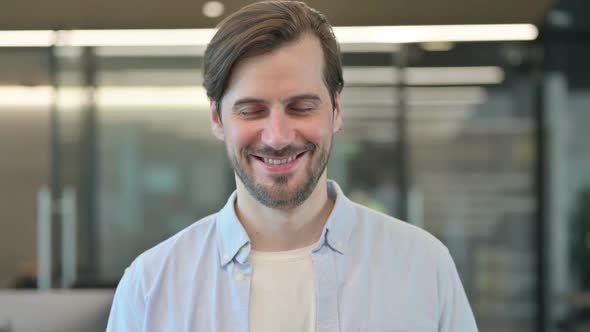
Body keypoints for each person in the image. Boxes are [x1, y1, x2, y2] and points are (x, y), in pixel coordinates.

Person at [106, 1, 478, 331]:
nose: (278, 136)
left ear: (336, 110)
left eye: (301, 107)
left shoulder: (423, 267)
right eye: (252, 110)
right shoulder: (151, 285)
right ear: (218, 120)